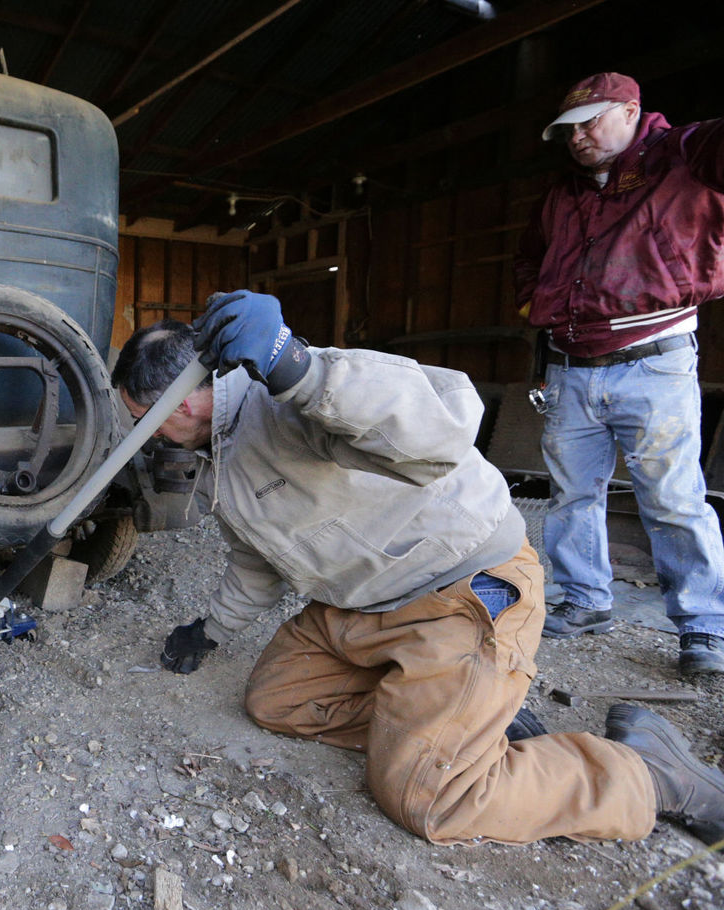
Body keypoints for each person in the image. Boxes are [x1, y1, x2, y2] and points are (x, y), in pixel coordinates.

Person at [111, 291, 724, 850]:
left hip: (460, 591)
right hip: (363, 606)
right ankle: (457, 721)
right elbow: (257, 556)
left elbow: (446, 426)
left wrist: (298, 367)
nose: (140, 430)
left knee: (431, 797)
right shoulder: (221, 451)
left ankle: (649, 772)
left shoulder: (290, 398)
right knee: (278, 700)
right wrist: (211, 629)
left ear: (187, 400)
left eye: (143, 414)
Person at [514, 72, 724, 676]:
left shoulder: (684, 156)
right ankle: (584, 601)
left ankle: (702, 625)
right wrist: (536, 304)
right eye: (569, 130)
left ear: (632, 111)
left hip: (653, 362)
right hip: (570, 367)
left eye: (591, 121)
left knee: (673, 498)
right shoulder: (564, 193)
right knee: (573, 495)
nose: (578, 137)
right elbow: (529, 256)